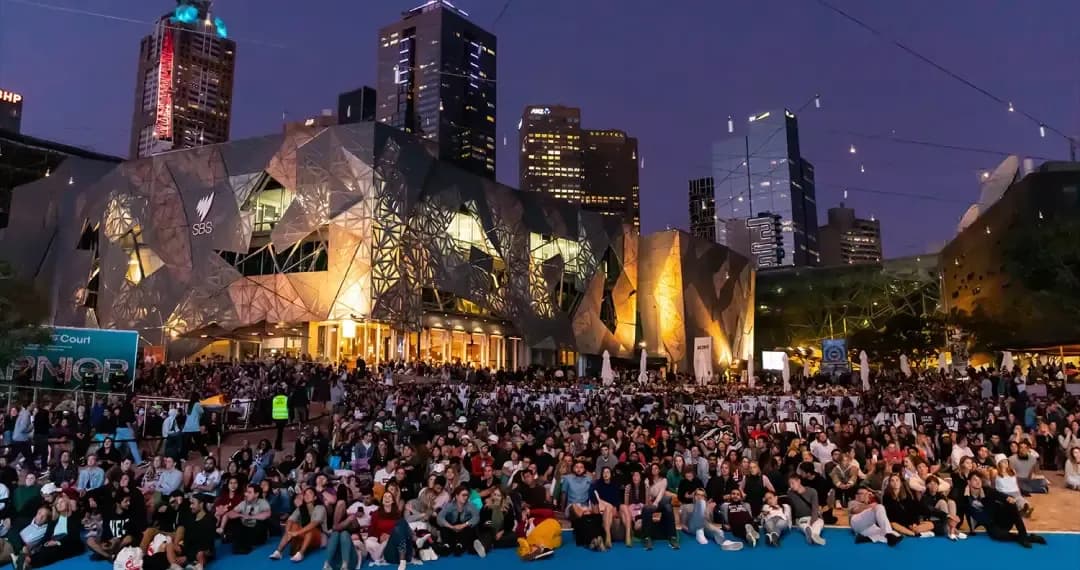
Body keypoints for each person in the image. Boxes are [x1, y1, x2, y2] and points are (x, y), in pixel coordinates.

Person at [964, 472, 1046, 548]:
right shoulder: (965, 497)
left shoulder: (987, 491)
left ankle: (1023, 535)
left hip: (1001, 519)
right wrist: (971, 529)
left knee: (1011, 504)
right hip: (990, 525)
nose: (978, 482)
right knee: (998, 536)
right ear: (968, 482)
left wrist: (1008, 498)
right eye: (975, 479)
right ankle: (1027, 538)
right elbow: (966, 511)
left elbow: (1000, 495)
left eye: (979, 479)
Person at [270, 487, 325, 562]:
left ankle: (301, 554)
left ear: (315, 497)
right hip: (304, 533)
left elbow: (314, 523)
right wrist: (288, 532)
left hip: (318, 536)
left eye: (310, 493)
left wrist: (297, 533)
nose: (307, 495)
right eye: (305, 494)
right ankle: (278, 552)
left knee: (310, 529)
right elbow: (290, 519)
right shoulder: (301, 508)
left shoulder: (320, 507)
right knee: (293, 525)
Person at [87, 491, 143, 561]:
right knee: (90, 540)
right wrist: (106, 542)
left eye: (129, 501)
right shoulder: (109, 514)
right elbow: (105, 531)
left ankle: (110, 553)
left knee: (124, 539)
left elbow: (134, 533)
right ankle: (109, 556)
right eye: (126, 501)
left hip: (120, 543)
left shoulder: (130, 515)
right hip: (109, 542)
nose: (129, 503)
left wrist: (118, 539)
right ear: (118, 503)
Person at [221, 485, 271, 555]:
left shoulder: (262, 502)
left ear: (256, 494)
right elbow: (230, 513)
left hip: (257, 531)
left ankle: (234, 539)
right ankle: (236, 541)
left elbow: (267, 514)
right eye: (246, 492)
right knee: (235, 521)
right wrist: (241, 515)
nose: (246, 494)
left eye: (249, 492)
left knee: (261, 522)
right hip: (245, 528)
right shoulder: (244, 503)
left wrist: (251, 517)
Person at [437, 484, 484, 557]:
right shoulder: (450, 505)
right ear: (457, 496)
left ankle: (460, 545)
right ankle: (447, 545)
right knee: (444, 527)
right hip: (452, 529)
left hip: (464, 531)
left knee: (470, 528)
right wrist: (451, 527)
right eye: (463, 495)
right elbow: (440, 517)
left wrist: (463, 525)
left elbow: (476, 517)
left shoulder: (470, 505)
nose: (466, 497)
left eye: (467, 495)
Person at [786, 473, 826, 545]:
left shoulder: (812, 491)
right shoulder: (790, 493)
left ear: (799, 481)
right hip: (801, 518)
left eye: (792, 483)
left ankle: (815, 535)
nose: (791, 486)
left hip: (814, 516)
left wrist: (812, 521)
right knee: (803, 525)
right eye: (789, 484)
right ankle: (810, 531)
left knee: (819, 523)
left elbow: (815, 508)